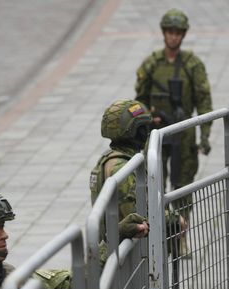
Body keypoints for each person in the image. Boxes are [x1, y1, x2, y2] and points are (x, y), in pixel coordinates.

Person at [135, 8, 213, 256]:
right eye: (170, 32)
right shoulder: (152, 64)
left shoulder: (192, 65)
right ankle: (156, 234)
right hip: (157, 134)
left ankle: (180, 236)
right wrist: (146, 122)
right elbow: (139, 100)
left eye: (178, 33)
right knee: (153, 184)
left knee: (182, 188)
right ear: (163, 33)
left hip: (183, 133)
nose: (174, 37)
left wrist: (204, 136)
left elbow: (204, 101)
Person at [90, 98, 152, 262]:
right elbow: (137, 214)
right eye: (142, 128)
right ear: (132, 131)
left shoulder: (109, 159)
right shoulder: (121, 167)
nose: (146, 134)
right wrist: (173, 218)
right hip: (122, 258)